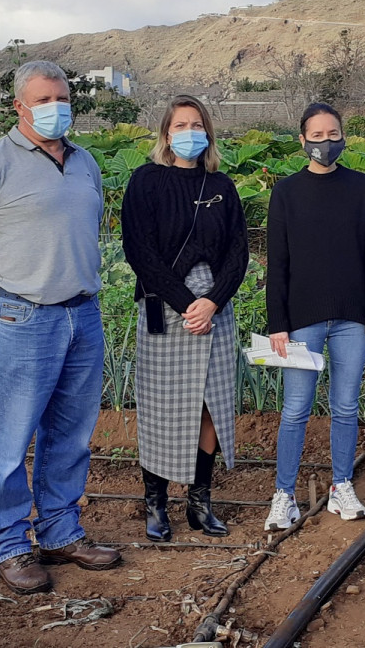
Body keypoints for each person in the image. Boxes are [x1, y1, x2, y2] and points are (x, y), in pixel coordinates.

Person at [0, 60, 121, 594]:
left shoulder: (85, 162)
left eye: (61, 98)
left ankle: (61, 532)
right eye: (42, 100)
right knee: (10, 437)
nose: (54, 109)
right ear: (19, 106)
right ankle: (10, 544)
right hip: (23, 315)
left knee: (71, 434)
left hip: (83, 313)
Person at [121, 95, 248, 541]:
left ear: (208, 133)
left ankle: (199, 502)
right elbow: (140, 251)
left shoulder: (222, 187)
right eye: (180, 125)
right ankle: (155, 504)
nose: (189, 132)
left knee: (209, 405)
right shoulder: (146, 182)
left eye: (197, 124)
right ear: (166, 134)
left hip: (214, 311)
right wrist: (185, 302)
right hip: (165, 306)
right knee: (161, 408)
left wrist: (212, 301)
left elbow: (238, 253)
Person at [262, 103, 365, 531]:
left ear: (343, 137)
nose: (325, 142)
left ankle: (341, 486)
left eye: (332, 134)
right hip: (301, 319)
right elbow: (276, 263)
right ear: (302, 140)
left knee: (346, 406)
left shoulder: (359, 187)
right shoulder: (286, 192)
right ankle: (284, 494)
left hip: (353, 317)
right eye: (316, 136)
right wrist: (277, 322)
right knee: (295, 409)